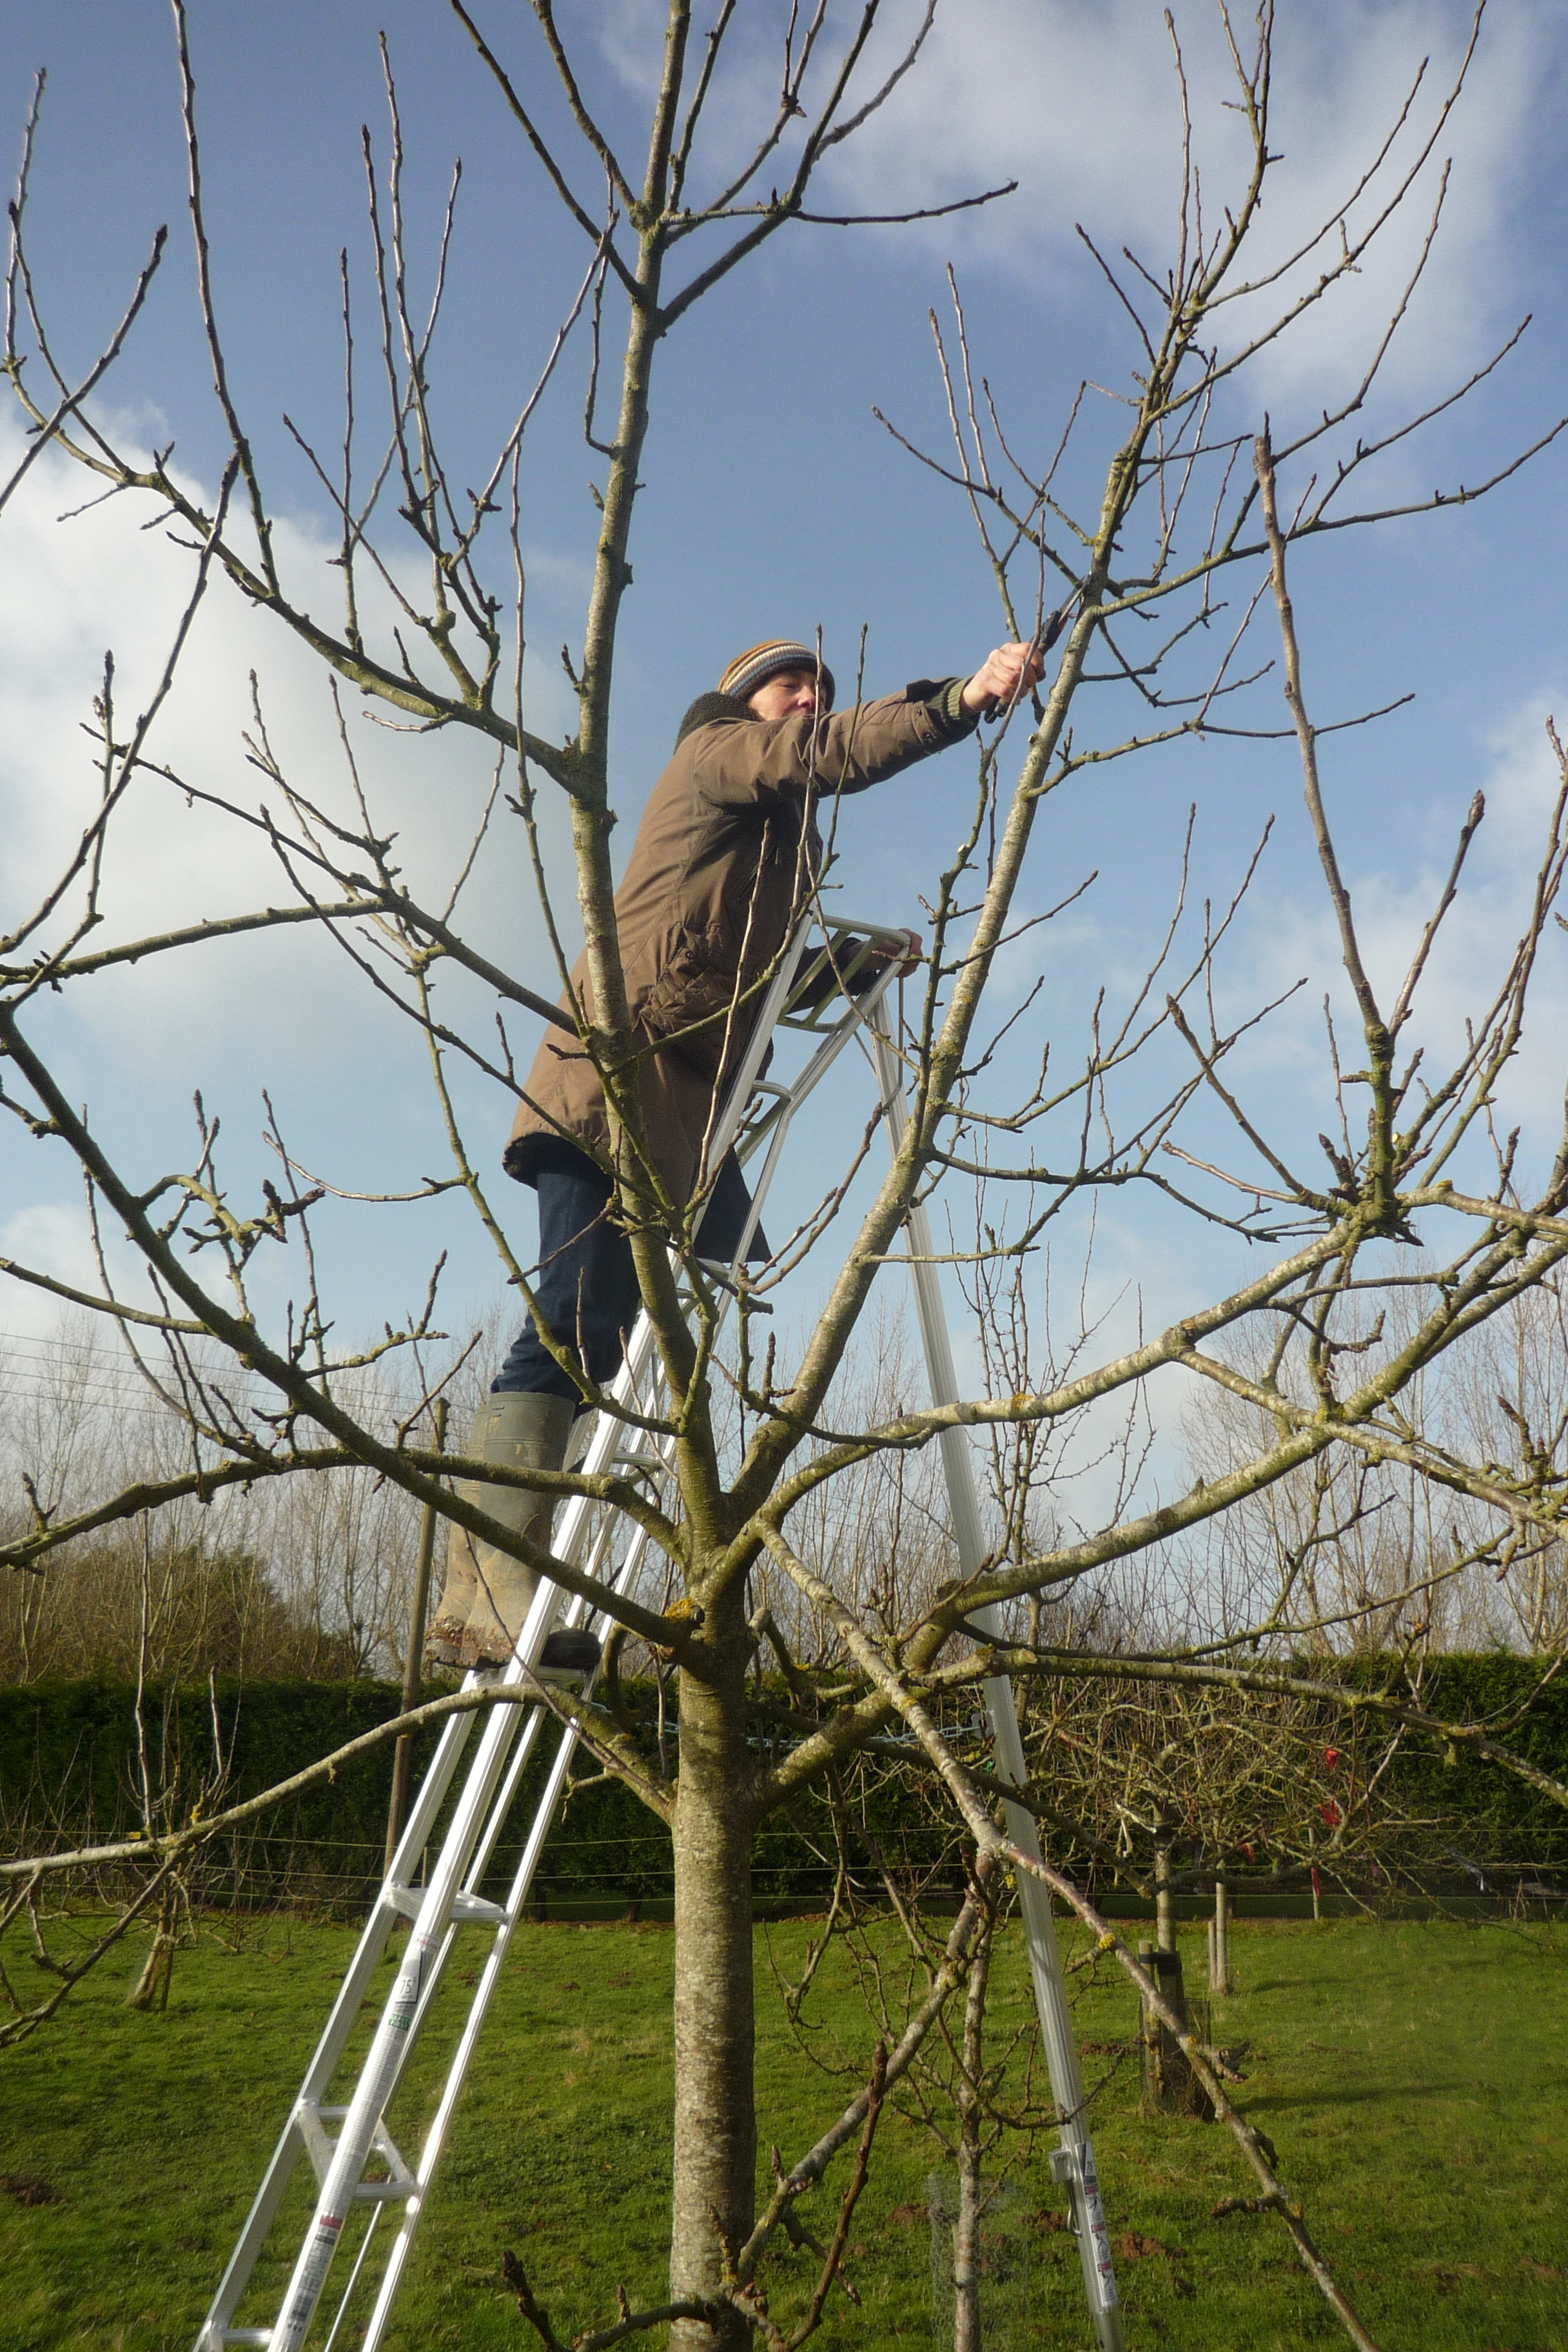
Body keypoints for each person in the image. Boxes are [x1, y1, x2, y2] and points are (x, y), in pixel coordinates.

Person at [427, 633, 1045, 1671]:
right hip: (611, 1089)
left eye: (815, 686)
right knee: (573, 1320)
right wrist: (960, 699)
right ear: (739, 697)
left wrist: (848, 966)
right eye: (788, 684)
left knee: (615, 1340)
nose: (804, 698)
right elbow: (824, 755)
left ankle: (522, 1588)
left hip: (673, 1119)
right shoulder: (718, 756)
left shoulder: (776, 843)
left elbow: (745, 975)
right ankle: (481, 1599)